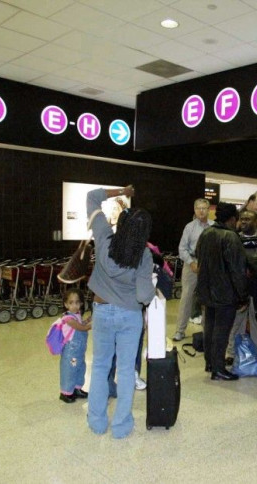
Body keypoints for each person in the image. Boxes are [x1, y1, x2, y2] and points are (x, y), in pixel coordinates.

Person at [86, 185, 155, 439]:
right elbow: (143, 295)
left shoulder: (104, 238)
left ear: (121, 223)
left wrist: (121, 191)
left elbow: (92, 197)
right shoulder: (144, 255)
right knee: (126, 371)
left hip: (101, 311)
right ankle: (121, 425)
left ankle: (96, 421)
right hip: (129, 315)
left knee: (101, 366)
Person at [195, 202, 249, 381]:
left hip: (206, 290)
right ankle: (218, 368)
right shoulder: (231, 238)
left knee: (209, 327)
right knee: (222, 331)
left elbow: (198, 257)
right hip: (225, 292)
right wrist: (242, 295)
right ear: (232, 218)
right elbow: (237, 270)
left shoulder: (206, 233)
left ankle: (210, 362)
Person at [226, 210, 257, 367]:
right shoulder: (234, 238)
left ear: (256, 221)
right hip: (240, 285)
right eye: (242, 219)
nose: (244, 222)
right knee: (236, 321)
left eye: (248, 219)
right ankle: (231, 353)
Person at [173, 198, 213, 341]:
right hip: (191, 264)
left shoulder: (214, 227)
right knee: (186, 297)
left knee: (208, 298)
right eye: (198, 208)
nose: (201, 211)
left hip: (209, 266)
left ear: (209, 210)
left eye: (204, 208)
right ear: (195, 210)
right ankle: (180, 330)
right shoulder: (189, 227)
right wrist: (191, 262)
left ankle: (206, 331)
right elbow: (182, 248)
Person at [57, 288, 91, 403]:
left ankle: (77, 388)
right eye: (71, 303)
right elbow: (81, 328)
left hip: (79, 351)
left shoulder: (76, 315)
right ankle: (66, 392)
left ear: (81, 303)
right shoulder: (68, 318)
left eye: (77, 302)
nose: (75, 306)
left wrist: (88, 320)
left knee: (80, 368)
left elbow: (82, 324)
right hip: (71, 353)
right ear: (66, 304)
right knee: (70, 370)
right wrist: (92, 324)